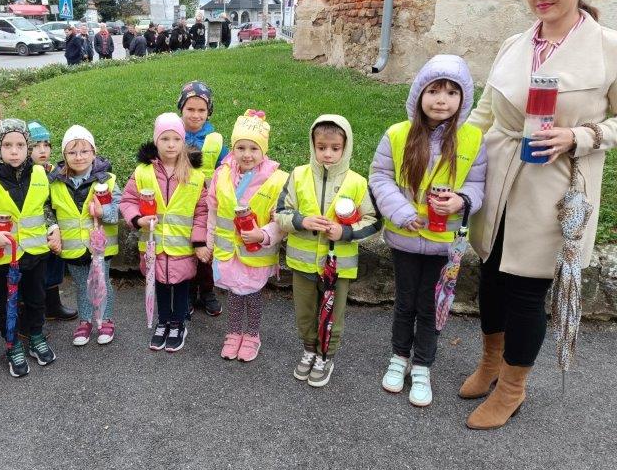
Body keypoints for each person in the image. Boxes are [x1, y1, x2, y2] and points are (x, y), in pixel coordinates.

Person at [462, 0, 617, 430]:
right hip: (501, 171)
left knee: (527, 289)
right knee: (490, 271)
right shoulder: (515, 43)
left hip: (556, 185)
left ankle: (513, 387)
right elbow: (485, 112)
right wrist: (455, 158)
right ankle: (490, 362)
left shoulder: (608, 47)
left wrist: (581, 135)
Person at [368, 55, 486, 407]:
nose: (441, 99)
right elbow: (380, 177)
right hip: (405, 237)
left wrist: (462, 201)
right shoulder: (398, 134)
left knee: (432, 306)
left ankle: (423, 366)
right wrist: (402, 212)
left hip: (444, 243)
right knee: (405, 301)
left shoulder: (473, 139)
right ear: (419, 93)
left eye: (452, 92)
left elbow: (479, 184)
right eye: (434, 90)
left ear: (463, 99)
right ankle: (399, 357)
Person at [276, 115, 381, 387]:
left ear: (346, 147)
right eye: (321, 147)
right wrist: (302, 221)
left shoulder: (357, 182)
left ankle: (326, 355)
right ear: (313, 145)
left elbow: (372, 221)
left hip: (339, 266)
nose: (328, 154)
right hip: (303, 264)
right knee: (305, 311)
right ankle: (309, 349)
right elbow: (281, 214)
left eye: (335, 148)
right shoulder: (298, 175)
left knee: (333, 313)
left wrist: (344, 232)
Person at [0, 119, 60, 378]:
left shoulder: (40, 174)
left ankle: (36, 336)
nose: (15, 151)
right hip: (3, 257)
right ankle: (12, 344)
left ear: (28, 146)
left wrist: (53, 228)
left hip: (35, 253)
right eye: (8, 145)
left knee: (36, 299)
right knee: (9, 304)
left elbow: (44, 208)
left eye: (20, 145)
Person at [119, 113, 208, 353]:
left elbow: (202, 211)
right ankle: (163, 321)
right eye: (165, 138)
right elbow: (128, 200)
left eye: (176, 139)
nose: (170, 144)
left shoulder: (195, 176)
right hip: (152, 243)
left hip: (181, 246)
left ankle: (178, 323)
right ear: (156, 141)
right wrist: (137, 219)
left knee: (180, 286)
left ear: (183, 141)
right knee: (158, 283)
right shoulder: (142, 172)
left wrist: (199, 241)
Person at [207, 110, 288, 362]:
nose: (247, 154)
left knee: (252, 294)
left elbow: (282, 219)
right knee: (233, 293)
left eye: (254, 148)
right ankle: (233, 333)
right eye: (240, 147)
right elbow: (212, 208)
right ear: (233, 148)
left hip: (256, 253)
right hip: (228, 251)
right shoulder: (221, 174)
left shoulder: (276, 180)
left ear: (263, 150)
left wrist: (263, 235)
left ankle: (252, 334)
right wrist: (209, 241)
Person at [50, 125, 122, 346]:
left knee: (102, 282)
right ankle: (86, 320)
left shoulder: (107, 180)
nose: (78, 157)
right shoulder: (55, 183)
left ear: (94, 152)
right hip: (73, 246)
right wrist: (52, 230)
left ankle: (106, 320)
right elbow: (49, 212)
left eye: (84, 151)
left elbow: (120, 208)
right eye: (72, 152)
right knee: (82, 284)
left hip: (100, 246)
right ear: (64, 156)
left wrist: (104, 211)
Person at [177, 81, 230, 316]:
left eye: (201, 110)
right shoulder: (173, 135)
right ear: (181, 109)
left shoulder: (215, 141)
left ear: (209, 111)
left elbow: (227, 169)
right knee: (186, 249)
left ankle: (207, 291)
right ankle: (188, 291)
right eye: (190, 109)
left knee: (207, 249)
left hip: (207, 206)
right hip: (180, 204)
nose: (196, 115)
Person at [28, 121, 77, 322]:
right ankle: (34, 311)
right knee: (37, 272)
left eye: (46, 145)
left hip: (57, 228)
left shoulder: (54, 171)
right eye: (36, 145)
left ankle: (53, 305)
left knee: (55, 264)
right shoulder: (27, 173)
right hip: (36, 230)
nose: (43, 150)